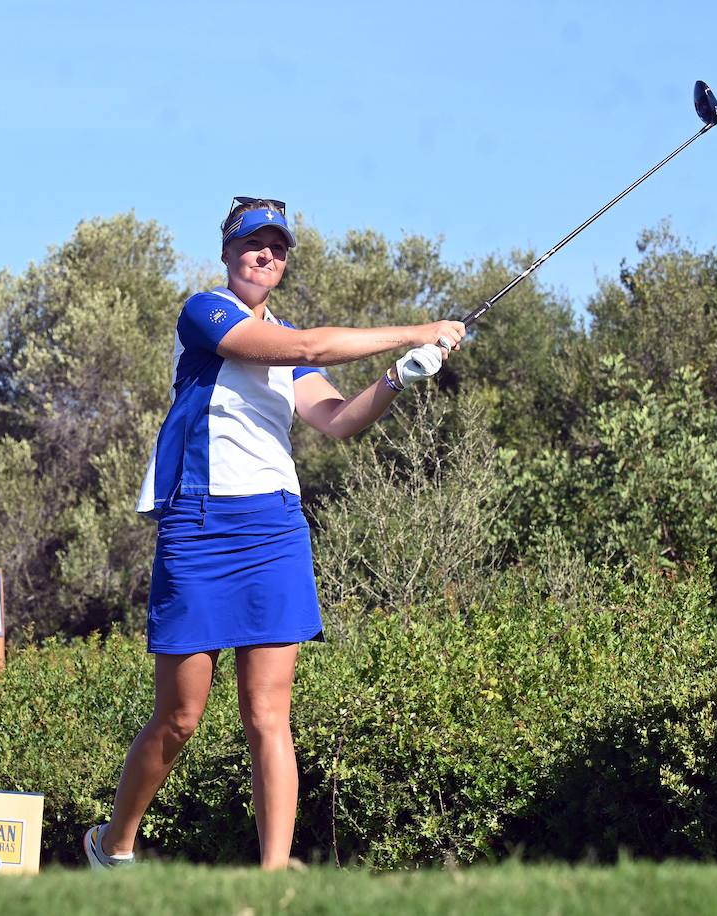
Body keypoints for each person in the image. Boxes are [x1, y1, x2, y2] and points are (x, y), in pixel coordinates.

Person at [83, 197, 465, 870]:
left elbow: (339, 419)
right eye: (252, 245)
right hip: (200, 524)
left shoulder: (286, 341)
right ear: (228, 254)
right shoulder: (206, 312)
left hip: (274, 529)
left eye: (276, 248)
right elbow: (305, 346)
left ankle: (274, 876)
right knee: (180, 717)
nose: (264, 256)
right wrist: (416, 329)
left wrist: (398, 379)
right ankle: (114, 844)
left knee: (268, 716)